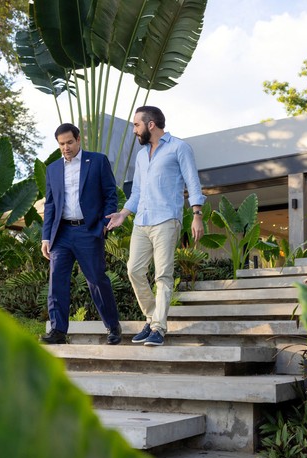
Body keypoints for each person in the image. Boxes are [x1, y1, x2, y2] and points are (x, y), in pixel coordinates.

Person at [106, 106, 205, 346]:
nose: (134, 130)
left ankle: (159, 328)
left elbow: (192, 182)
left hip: (166, 219)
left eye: (136, 125)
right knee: (134, 271)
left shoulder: (179, 148)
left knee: (163, 275)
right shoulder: (141, 156)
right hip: (142, 220)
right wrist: (123, 213)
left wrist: (197, 214)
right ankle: (152, 318)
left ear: (151, 125)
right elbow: (137, 191)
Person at [40, 123, 122, 345]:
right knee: (57, 281)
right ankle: (58, 331)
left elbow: (110, 194)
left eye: (69, 142)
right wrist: (46, 237)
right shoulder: (53, 169)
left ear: (78, 140)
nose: (65, 148)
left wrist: (105, 223)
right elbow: (50, 205)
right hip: (62, 233)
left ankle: (112, 326)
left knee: (96, 279)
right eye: (61, 144)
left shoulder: (97, 161)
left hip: (88, 230)